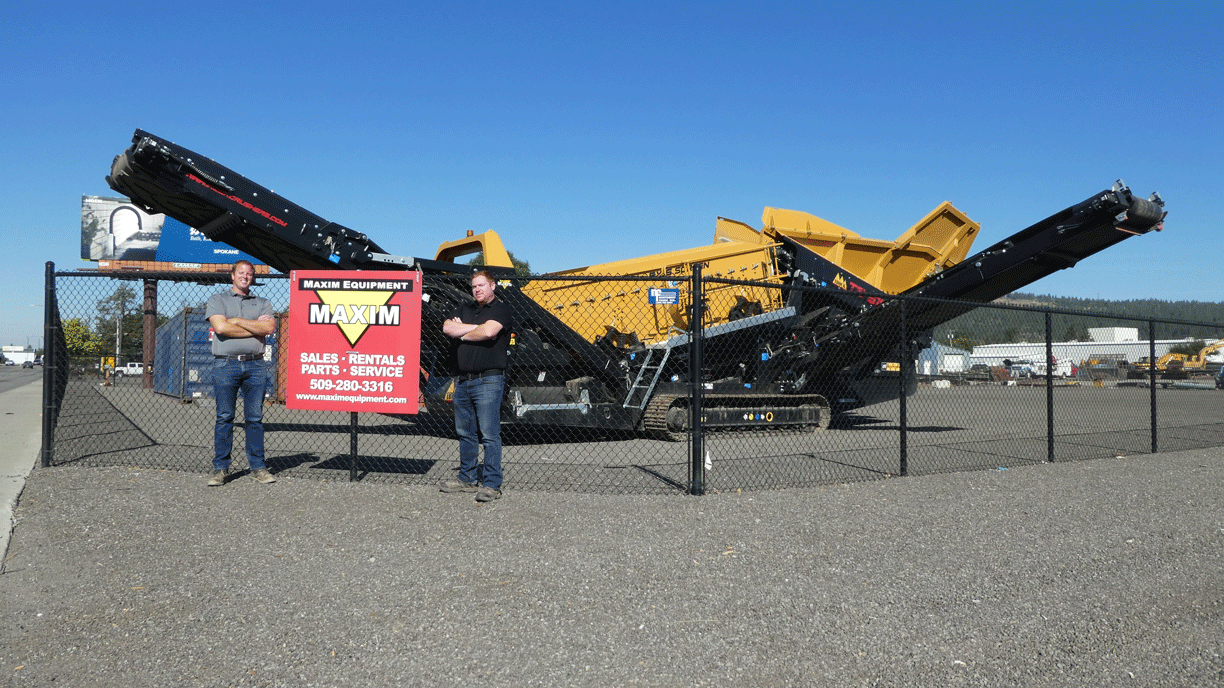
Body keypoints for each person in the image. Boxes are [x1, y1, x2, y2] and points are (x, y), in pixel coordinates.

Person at [440, 270, 513, 502]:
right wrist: (475, 329)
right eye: (474, 286)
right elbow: (447, 328)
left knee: (490, 434)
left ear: (492, 286)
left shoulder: (501, 309)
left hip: (489, 380)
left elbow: (490, 331)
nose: (477, 289)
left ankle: (492, 484)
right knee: (465, 433)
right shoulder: (463, 308)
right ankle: (467, 478)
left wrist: (461, 332)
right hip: (462, 380)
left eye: (482, 285)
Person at [206, 260, 277, 486]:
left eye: (249, 274)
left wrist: (235, 321)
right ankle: (220, 469)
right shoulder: (218, 300)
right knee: (224, 417)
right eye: (241, 273)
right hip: (226, 365)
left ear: (252, 277)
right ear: (232, 276)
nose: (245, 277)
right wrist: (252, 326)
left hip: (256, 366)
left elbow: (268, 328)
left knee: (254, 419)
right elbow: (221, 328)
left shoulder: (263, 302)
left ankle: (258, 467)